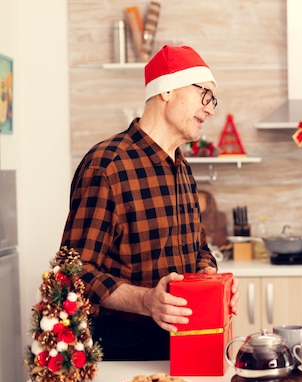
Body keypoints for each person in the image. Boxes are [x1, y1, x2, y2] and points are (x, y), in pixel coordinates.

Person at [61, 45, 239, 360]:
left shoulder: (182, 166)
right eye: (205, 95)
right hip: (124, 349)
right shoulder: (108, 164)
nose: (211, 109)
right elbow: (74, 271)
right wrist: (146, 301)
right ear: (167, 90)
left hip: (185, 341)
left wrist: (211, 281)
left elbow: (198, 249)